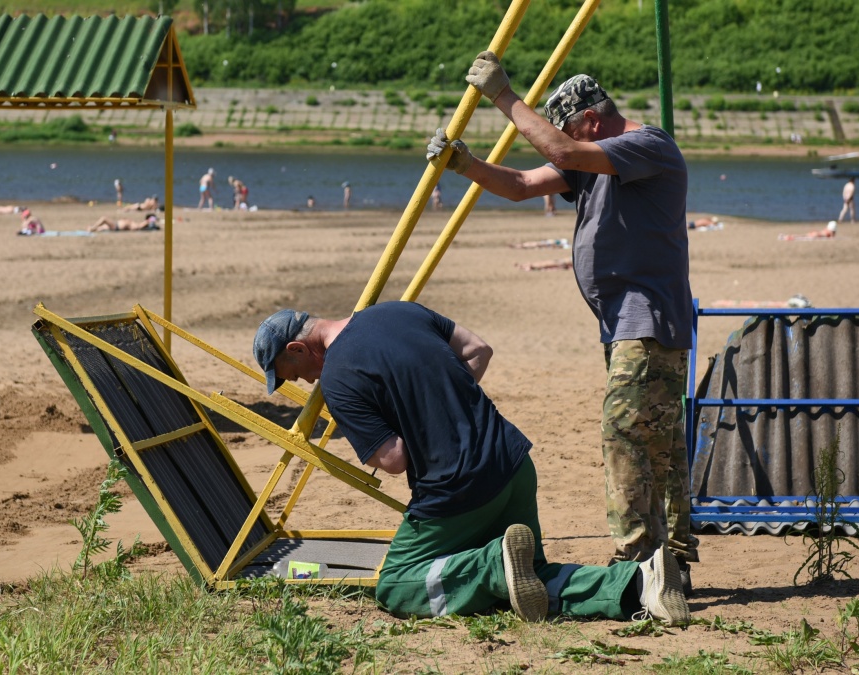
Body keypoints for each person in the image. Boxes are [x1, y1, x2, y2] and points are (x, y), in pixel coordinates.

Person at [427, 56, 697, 591]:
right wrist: (466, 164)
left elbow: (561, 150)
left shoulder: (648, 146)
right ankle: (670, 563)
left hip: (645, 322)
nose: (568, 142)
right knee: (656, 445)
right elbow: (525, 182)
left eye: (570, 129)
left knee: (627, 439)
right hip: (627, 325)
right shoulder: (596, 159)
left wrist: (504, 96)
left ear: (592, 122)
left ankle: (637, 568)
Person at [253, 303, 690, 625]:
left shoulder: (337, 378)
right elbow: (479, 349)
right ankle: (641, 583)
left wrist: (385, 423)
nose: (302, 382)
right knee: (532, 580)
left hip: (456, 487)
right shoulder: (396, 311)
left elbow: (393, 459)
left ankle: (495, 566)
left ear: (298, 347)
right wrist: (447, 400)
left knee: (397, 585)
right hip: (511, 462)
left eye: (291, 372)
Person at [88, 213, 160, 232]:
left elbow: (148, 221)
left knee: (104, 219)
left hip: (117, 227)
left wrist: (154, 218)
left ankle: (93, 228)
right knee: (103, 227)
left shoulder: (142, 224)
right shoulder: (140, 223)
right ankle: (94, 228)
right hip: (116, 225)